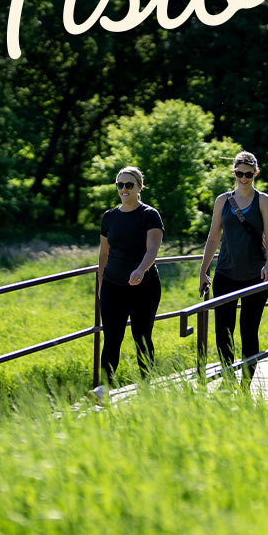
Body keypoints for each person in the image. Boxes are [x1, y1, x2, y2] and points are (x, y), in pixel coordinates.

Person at [198, 151, 268, 384]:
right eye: (239, 173)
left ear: (255, 173)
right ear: (234, 172)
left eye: (249, 174)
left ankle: (246, 383)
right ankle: (227, 378)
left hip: (256, 274)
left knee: (249, 330)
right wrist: (204, 270)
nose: (244, 178)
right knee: (223, 331)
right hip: (225, 273)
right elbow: (213, 237)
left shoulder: (263, 200)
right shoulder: (222, 200)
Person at [96, 165, 164, 390]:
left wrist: (141, 270)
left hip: (144, 286)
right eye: (120, 185)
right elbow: (103, 254)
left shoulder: (149, 215)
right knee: (112, 338)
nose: (124, 189)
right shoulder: (109, 217)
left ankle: (147, 387)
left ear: (139, 187)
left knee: (141, 336)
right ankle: (104, 388)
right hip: (113, 286)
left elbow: (153, 249)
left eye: (129, 185)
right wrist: (100, 285)